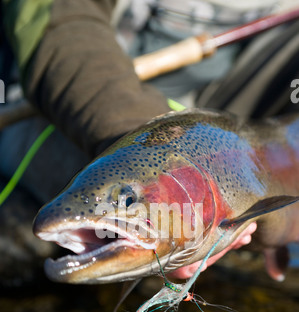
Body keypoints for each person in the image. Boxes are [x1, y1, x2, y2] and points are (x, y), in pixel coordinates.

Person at [0, 0, 298, 280]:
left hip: (235, 111)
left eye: (126, 200)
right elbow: (56, 17)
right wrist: (149, 140)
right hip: (86, 101)